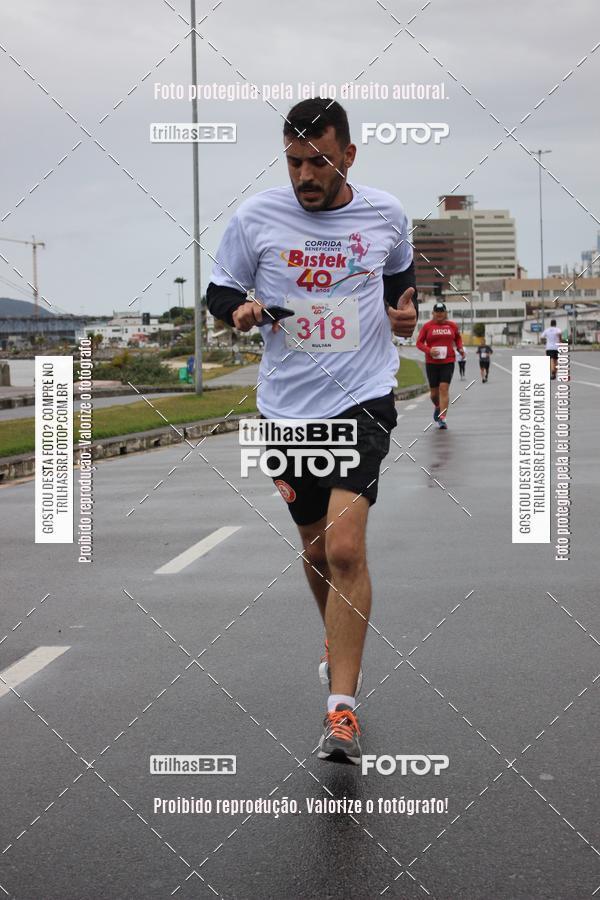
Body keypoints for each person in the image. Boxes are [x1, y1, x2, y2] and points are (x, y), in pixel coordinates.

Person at [206, 98, 418, 765]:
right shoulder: (256, 217)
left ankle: (342, 712)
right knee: (319, 551)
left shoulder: (385, 213)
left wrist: (404, 310)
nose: (305, 175)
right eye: (295, 161)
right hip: (287, 409)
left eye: (319, 161)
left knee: (348, 549)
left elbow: (399, 279)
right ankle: (335, 635)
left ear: (347, 156)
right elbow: (217, 290)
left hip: (363, 399)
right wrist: (237, 311)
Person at [416, 301, 463, 429]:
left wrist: (460, 349)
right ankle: (438, 406)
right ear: (433, 313)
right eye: (437, 312)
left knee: (444, 388)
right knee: (434, 394)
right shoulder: (427, 327)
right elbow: (419, 343)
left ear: (446, 313)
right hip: (432, 363)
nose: (439, 314)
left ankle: (442, 418)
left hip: (448, 361)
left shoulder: (452, 326)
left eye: (442, 312)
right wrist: (429, 350)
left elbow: (457, 338)